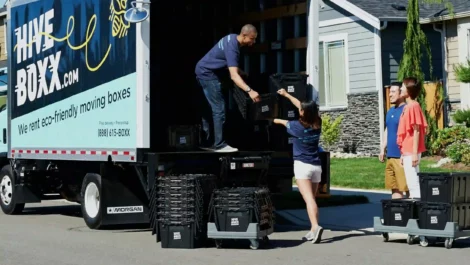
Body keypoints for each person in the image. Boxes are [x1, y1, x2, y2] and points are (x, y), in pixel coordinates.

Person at [195, 24, 261, 153]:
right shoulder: (233, 48)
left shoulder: (231, 38)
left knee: (210, 107)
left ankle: (208, 142)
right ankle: (219, 144)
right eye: (252, 39)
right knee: (219, 108)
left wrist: (239, 70)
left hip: (202, 70)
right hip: (207, 74)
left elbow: (224, 60)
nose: (253, 42)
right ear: (244, 35)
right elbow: (234, 77)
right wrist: (250, 91)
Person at [273, 88, 323, 244]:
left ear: (302, 113)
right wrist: (287, 95)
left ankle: (315, 226)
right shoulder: (317, 123)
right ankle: (312, 230)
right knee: (311, 199)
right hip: (316, 166)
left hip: (303, 166)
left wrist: (271, 118)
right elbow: (302, 107)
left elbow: (281, 122)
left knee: (308, 199)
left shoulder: (295, 127)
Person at [397, 77, 428, 199]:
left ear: (409, 90)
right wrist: (403, 154)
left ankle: (417, 207)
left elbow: (416, 131)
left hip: (411, 150)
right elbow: (407, 133)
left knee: (413, 181)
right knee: (411, 181)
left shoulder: (413, 106)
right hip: (407, 151)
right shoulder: (407, 106)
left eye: (403, 87)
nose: (401, 88)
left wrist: (414, 153)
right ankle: (416, 205)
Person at [379, 82, 409, 199]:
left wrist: (404, 153)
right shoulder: (391, 111)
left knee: (407, 188)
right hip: (390, 156)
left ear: (401, 93)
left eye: (393, 92)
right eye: (389, 92)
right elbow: (388, 129)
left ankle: (412, 215)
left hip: (401, 157)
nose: (390, 95)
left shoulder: (406, 110)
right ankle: (398, 214)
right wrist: (383, 148)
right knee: (395, 189)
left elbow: (409, 133)